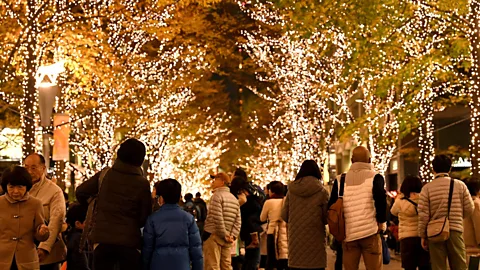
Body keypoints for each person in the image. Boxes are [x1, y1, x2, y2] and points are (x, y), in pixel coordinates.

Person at [76, 138, 152, 270]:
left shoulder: (105, 175)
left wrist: (93, 205)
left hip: (102, 241)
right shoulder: (142, 183)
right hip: (130, 243)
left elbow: (80, 192)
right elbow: (144, 217)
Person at [329, 146, 387, 270]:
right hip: (370, 232)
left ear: (352, 160)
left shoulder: (340, 180)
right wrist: (381, 222)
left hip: (348, 235)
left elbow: (331, 206)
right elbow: (381, 201)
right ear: (369, 160)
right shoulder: (375, 177)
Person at [418, 155, 474, 270]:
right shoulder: (460, 185)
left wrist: (423, 235)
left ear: (433, 169)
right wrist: (457, 217)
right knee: (459, 265)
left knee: (438, 266)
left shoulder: (427, 188)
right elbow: (469, 208)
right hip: (455, 230)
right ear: (449, 169)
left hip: (435, 232)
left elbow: (423, 215)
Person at [142, 179, 203, 270]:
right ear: (179, 197)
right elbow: (196, 251)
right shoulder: (188, 219)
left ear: (161, 198)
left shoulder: (152, 219)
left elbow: (147, 250)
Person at [281, 160, 329, 270]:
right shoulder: (322, 192)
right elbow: (326, 218)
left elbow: (285, 215)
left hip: (296, 243)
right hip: (316, 242)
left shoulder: (291, 191)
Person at [0, 166, 50, 269]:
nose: (16, 191)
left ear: (27, 186)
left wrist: (42, 232)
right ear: (5, 186)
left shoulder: (35, 204)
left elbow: (40, 233)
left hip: (27, 259)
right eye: (11, 187)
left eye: (20, 187)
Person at [25, 153, 67, 270]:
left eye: (33, 168)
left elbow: (56, 221)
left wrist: (44, 248)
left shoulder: (54, 191)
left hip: (48, 255)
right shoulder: (19, 189)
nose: (29, 171)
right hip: (23, 253)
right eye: (26, 167)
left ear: (43, 168)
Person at [203, 172, 242, 270]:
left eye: (215, 179)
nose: (213, 182)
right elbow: (238, 220)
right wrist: (232, 235)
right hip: (228, 237)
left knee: (212, 265)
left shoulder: (217, 196)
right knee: (226, 266)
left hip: (214, 235)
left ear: (222, 182)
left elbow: (217, 217)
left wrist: (223, 234)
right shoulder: (233, 198)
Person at [390, 176, 429, 270]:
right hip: (422, 237)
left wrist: (399, 197)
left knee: (409, 267)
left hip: (406, 238)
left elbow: (393, 212)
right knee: (425, 266)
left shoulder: (399, 201)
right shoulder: (424, 199)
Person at [230, 174, 263, 270]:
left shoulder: (240, 197)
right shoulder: (249, 196)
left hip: (247, 228)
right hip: (252, 229)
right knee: (252, 257)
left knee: (249, 257)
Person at [260, 181, 288, 270]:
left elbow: (262, 218)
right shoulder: (286, 201)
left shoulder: (269, 202)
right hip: (285, 231)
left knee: (271, 258)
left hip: (272, 232)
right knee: (284, 256)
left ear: (272, 191)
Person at [65, 203, 90, 270]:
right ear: (78, 224)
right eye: (87, 221)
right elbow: (83, 265)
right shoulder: (78, 239)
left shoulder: (72, 236)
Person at [464, 180, 480, 265]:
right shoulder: (476, 204)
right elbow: (478, 225)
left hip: (466, 243)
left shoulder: (465, 203)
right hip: (474, 245)